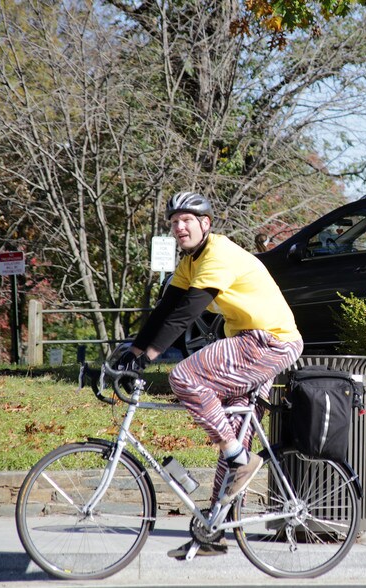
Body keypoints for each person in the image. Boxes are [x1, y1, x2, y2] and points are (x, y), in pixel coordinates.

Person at [116, 190, 303, 558]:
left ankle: (238, 455)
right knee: (233, 440)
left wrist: (150, 356)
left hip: (270, 341)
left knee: (184, 377)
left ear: (205, 224)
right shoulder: (190, 261)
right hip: (252, 342)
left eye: (186, 220)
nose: (179, 227)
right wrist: (133, 352)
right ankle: (213, 532)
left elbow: (187, 313)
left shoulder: (218, 255)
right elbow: (164, 309)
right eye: (173, 222)